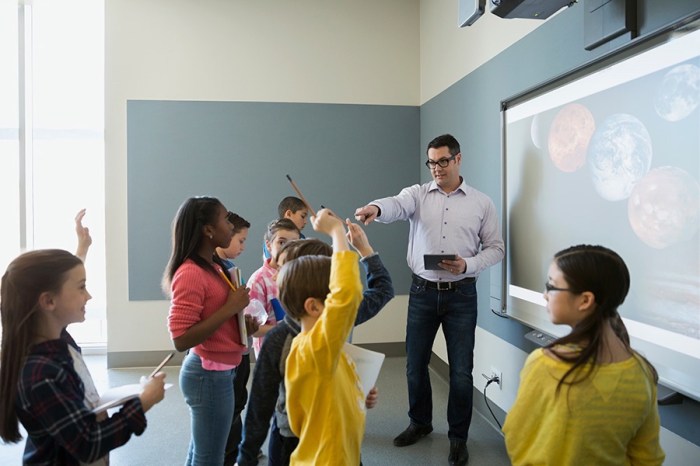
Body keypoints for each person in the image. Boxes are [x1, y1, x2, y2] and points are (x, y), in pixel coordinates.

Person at [354, 133, 505, 466]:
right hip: (423, 292)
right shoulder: (418, 195)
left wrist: (469, 264)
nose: (436, 168)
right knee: (414, 365)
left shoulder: (482, 203)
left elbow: (496, 248)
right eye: (431, 162)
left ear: (458, 159)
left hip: (462, 295)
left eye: (443, 161)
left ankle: (458, 438)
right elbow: (395, 204)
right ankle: (420, 423)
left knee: (462, 372)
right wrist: (375, 209)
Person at [237, 221, 393, 466]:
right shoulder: (290, 338)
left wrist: (357, 390)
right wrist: (343, 237)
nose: (275, 275)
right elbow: (260, 403)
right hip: (296, 440)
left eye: (283, 267)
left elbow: (371, 292)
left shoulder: (332, 321)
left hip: (338, 441)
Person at [502, 245, 665, 466]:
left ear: (585, 300)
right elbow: (647, 457)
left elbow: (518, 437)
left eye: (551, 286)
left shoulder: (546, 364)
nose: (545, 295)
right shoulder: (642, 371)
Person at [0, 249, 166, 464]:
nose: (88, 296)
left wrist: (83, 247)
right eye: (82, 287)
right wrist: (144, 401)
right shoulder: (41, 374)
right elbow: (89, 443)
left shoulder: (58, 339)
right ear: (49, 301)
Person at [163, 196, 257, 466]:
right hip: (208, 376)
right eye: (226, 220)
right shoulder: (191, 272)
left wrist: (241, 326)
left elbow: (213, 318)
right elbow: (180, 338)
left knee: (201, 455)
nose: (231, 225)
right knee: (209, 459)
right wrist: (230, 309)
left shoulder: (214, 267)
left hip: (218, 373)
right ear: (208, 230)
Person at [280, 208, 365, 465]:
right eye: (330, 294)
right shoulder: (316, 348)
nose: (336, 297)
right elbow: (347, 295)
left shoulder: (311, 347)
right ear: (314, 307)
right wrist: (337, 232)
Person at [214, 212, 255, 466]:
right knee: (225, 414)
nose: (242, 246)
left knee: (237, 404)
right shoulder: (213, 270)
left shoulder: (229, 268)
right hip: (223, 356)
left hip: (239, 350)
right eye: (239, 239)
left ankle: (234, 452)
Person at [248, 218, 300, 357]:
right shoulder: (258, 280)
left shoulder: (299, 273)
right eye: (281, 242)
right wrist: (283, 328)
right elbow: (253, 328)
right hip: (272, 357)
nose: (287, 248)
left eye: (294, 243)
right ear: (269, 245)